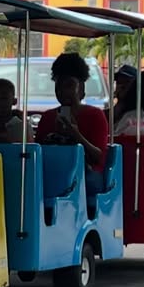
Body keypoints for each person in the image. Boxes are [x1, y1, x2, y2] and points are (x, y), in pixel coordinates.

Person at [33, 52, 111, 206]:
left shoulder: (95, 115)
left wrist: (76, 135)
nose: (63, 91)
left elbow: (99, 157)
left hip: (86, 172)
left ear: (81, 88)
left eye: (69, 85)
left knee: (83, 181)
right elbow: (38, 152)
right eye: (59, 85)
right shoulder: (48, 117)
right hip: (54, 171)